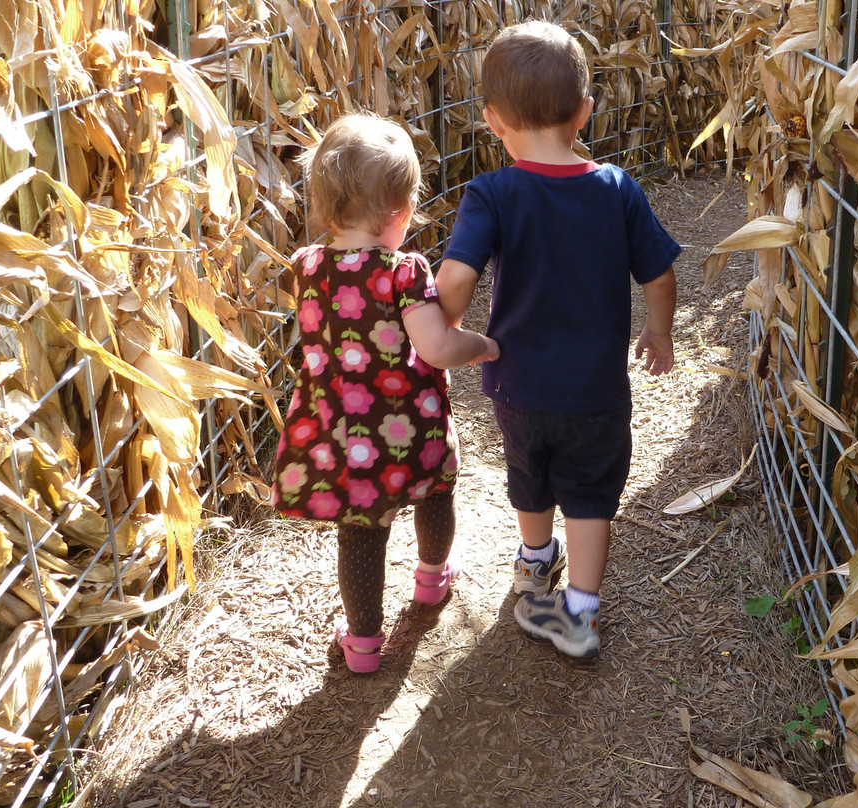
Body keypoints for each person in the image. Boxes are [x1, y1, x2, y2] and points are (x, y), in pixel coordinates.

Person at [436, 20, 681, 660]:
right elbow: (658, 272)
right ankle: (578, 613)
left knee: (531, 477)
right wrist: (659, 332)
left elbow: (458, 275)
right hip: (597, 391)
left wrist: (448, 327)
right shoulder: (618, 189)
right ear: (585, 111)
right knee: (592, 495)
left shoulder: (491, 191)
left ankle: (534, 560)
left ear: (493, 120)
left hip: (517, 385)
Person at [271, 113, 500, 674]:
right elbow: (437, 346)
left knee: (360, 531)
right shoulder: (402, 272)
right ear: (399, 213)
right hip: (408, 424)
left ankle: (363, 646)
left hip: (340, 432)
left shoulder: (306, 266)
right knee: (435, 492)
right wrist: (486, 347)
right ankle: (430, 582)